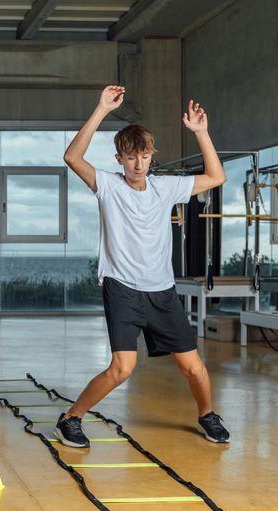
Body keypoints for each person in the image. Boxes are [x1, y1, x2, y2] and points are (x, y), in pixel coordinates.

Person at [57, 85, 231, 447]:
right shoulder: (108, 185)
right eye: (131, 157)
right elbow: (73, 157)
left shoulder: (165, 188)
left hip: (162, 292)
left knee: (193, 367)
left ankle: (207, 415)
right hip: (122, 289)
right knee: (122, 368)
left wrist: (201, 132)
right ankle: (70, 418)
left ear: (152, 157)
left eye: (145, 156)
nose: (139, 164)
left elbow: (216, 177)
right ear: (119, 158)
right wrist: (102, 110)